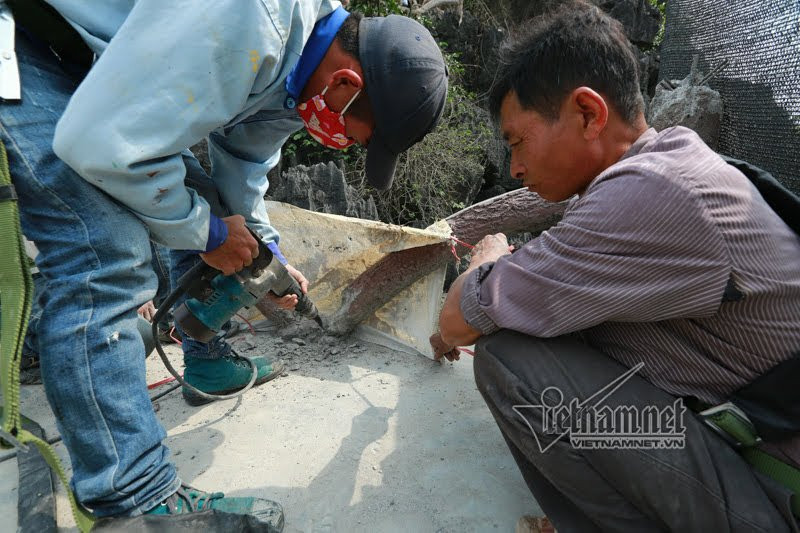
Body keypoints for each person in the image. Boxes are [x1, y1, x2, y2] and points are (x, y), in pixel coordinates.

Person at [3, 0, 446, 526]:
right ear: (345, 86)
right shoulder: (251, 21)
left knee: (197, 196)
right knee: (104, 252)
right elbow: (95, 145)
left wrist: (263, 251)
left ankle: (165, 359)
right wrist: (207, 234)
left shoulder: (304, 72)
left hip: (84, 61)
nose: (344, 143)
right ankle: (137, 503)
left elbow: (244, 167)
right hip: (24, 40)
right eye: (356, 135)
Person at [432, 2, 800, 531]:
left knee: (510, 361)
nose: (513, 167)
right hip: (754, 455)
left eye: (518, 141)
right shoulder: (671, 165)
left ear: (588, 113)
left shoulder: (651, 195)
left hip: (777, 492)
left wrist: (489, 256)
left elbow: (455, 322)